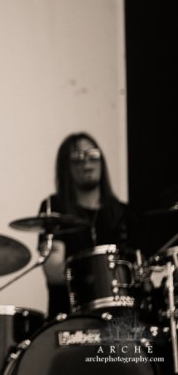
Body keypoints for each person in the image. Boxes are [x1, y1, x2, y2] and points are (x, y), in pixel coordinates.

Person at [38, 132, 132, 317]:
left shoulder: (124, 213)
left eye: (93, 155)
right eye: (77, 158)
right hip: (70, 319)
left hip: (120, 320)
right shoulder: (54, 209)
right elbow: (54, 272)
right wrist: (100, 274)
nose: (87, 163)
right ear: (65, 167)